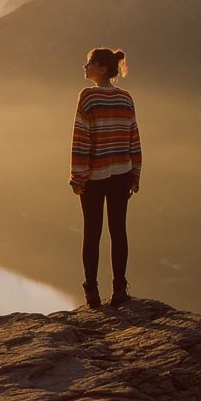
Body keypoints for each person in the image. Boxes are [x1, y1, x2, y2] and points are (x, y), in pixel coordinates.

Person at [69, 47, 142, 309]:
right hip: (122, 173)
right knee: (118, 231)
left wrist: (78, 177)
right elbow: (134, 136)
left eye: (89, 63)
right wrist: (135, 173)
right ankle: (120, 289)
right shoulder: (126, 98)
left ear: (100, 68)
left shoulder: (88, 97)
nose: (85, 68)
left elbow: (81, 140)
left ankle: (92, 294)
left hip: (95, 177)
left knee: (92, 232)